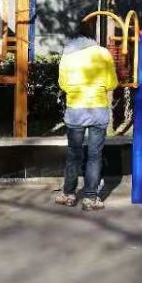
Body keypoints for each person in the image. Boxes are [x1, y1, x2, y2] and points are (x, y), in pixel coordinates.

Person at [55, 31, 119, 211]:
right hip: (98, 111)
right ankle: (90, 198)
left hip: (75, 111)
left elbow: (63, 84)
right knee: (95, 156)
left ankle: (68, 194)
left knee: (73, 154)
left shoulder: (67, 55)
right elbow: (112, 83)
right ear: (92, 39)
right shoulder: (104, 53)